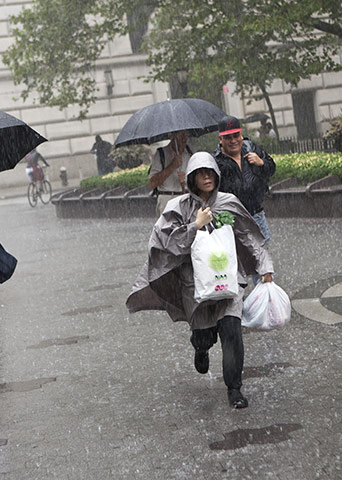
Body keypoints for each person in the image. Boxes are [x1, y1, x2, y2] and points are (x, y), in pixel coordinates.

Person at [126, 152, 274, 409]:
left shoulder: (229, 202)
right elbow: (166, 244)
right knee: (205, 333)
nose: (206, 177)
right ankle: (201, 346)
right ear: (192, 178)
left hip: (229, 281)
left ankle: (234, 388)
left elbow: (249, 235)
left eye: (210, 172)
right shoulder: (178, 208)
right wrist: (195, 226)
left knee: (231, 331)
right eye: (200, 173)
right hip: (195, 285)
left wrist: (264, 266)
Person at [212, 115, 275, 282]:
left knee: (262, 265)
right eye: (228, 137)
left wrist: (261, 163)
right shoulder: (216, 161)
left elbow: (271, 168)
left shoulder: (251, 148)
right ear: (220, 139)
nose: (233, 141)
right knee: (234, 265)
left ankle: (263, 304)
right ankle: (236, 304)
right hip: (231, 222)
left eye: (236, 136)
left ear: (241, 135)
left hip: (256, 216)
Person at [149, 130, 191, 217]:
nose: (184, 138)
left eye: (186, 134)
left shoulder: (189, 153)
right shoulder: (161, 154)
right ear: (172, 136)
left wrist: (187, 179)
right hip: (167, 200)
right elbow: (153, 183)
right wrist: (172, 166)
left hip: (185, 199)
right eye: (181, 135)